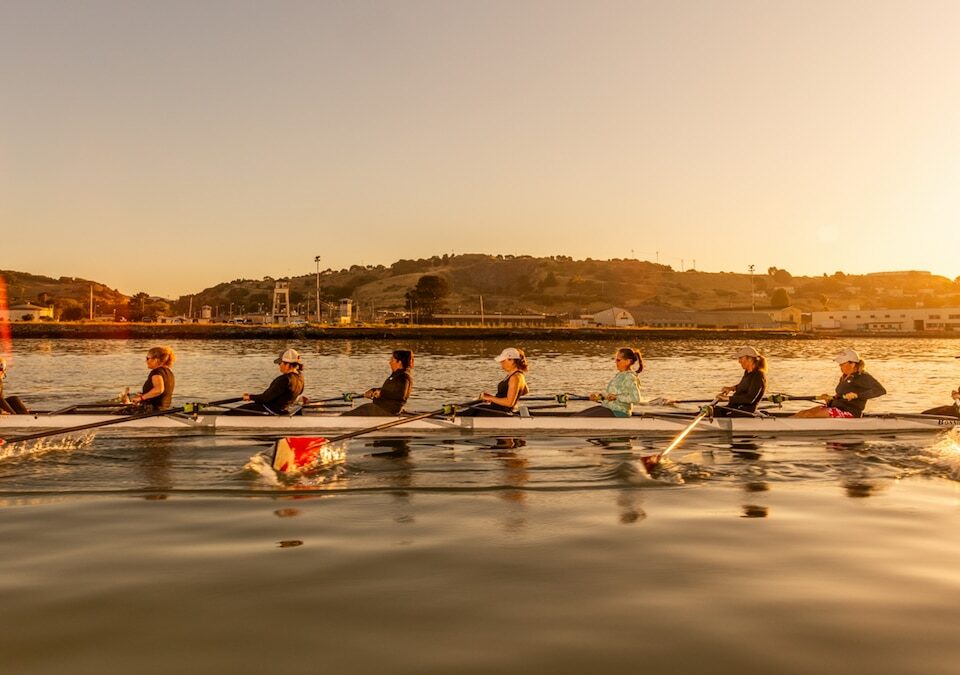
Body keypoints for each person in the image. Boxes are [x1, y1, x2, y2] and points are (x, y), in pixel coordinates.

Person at [794, 347, 886, 418]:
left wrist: (857, 395)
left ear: (852, 364)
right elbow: (841, 396)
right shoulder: (844, 377)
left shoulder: (862, 376)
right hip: (836, 408)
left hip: (850, 413)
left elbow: (880, 390)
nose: (839, 366)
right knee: (802, 413)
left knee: (810, 415)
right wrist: (829, 399)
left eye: (842, 364)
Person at [231, 349, 305, 415]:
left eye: (280, 363)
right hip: (284, 409)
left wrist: (249, 397)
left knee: (231, 412)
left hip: (271, 410)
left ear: (288, 364)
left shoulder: (284, 379)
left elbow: (265, 398)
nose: (279, 366)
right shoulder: (300, 377)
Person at [342, 350, 414, 417]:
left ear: (399, 363)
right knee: (364, 407)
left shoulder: (404, 377)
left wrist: (380, 393)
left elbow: (401, 396)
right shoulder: (397, 375)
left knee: (348, 415)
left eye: (392, 360)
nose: (390, 362)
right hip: (382, 407)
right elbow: (389, 390)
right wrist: (374, 390)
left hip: (388, 411)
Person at [460, 347, 529, 416]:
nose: (501, 364)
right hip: (498, 409)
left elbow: (509, 403)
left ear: (512, 360)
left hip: (501, 412)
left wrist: (490, 398)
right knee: (476, 407)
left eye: (503, 361)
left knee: (474, 409)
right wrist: (497, 400)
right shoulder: (518, 375)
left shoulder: (515, 377)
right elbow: (525, 391)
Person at [575, 348, 643, 417]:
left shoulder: (630, 377)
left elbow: (636, 398)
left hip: (619, 412)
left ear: (628, 361)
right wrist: (599, 396)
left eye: (618, 360)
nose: (616, 362)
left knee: (579, 418)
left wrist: (617, 397)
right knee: (577, 415)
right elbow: (610, 395)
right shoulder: (619, 375)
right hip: (608, 408)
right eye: (615, 360)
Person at [712, 346, 767, 417]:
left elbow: (750, 399)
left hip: (744, 411)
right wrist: (731, 388)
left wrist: (727, 398)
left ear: (750, 359)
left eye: (741, 358)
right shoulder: (748, 372)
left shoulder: (758, 376)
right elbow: (745, 386)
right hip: (735, 407)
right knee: (710, 410)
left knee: (712, 412)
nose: (739, 361)